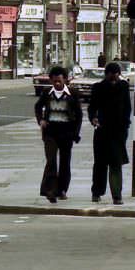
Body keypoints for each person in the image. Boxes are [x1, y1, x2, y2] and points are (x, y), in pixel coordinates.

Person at [34, 65, 83, 203]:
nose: (57, 84)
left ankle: (62, 190)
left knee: (65, 163)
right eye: (54, 81)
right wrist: (41, 120)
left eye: (59, 81)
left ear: (65, 80)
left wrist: (76, 133)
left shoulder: (72, 94)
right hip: (50, 132)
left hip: (66, 133)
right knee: (51, 160)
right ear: (51, 80)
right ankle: (51, 190)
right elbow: (38, 107)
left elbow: (79, 115)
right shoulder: (46, 93)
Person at [88, 61, 132, 205]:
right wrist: (93, 118)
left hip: (118, 131)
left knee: (116, 163)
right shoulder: (98, 88)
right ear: (106, 75)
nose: (114, 78)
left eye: (116, 76)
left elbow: (127, 107)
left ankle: (117, 195)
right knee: (100, 164)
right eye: (111, 76)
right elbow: (92, 107)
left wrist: (125, 125)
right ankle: (97, 192)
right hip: (102, 129)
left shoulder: (123, 87)